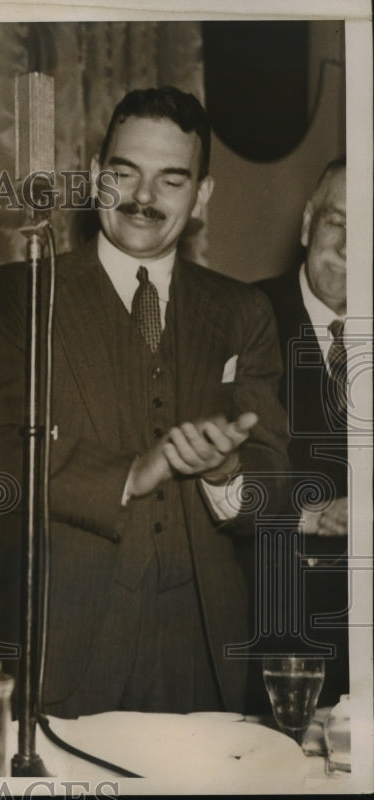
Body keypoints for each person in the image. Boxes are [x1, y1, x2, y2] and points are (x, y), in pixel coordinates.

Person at [0, 87, 290, 716]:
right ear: (94, 178)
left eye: (171, 180)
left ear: (201, 196)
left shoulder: (243, 311)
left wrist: (226, 474)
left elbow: (272, 474)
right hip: (58, 649)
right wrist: (127, 475)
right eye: (125, 172)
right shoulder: (24, 292)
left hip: (201, 659)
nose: (143, 197)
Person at [255, 159, 349, 706]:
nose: (349, 247)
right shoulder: (242, 315)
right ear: (309, 222)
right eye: (338, 222)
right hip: (276, 640)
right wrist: (308, 514)